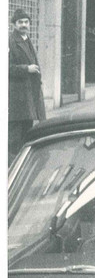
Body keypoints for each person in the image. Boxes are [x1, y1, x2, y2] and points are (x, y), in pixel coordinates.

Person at [8, 9, 46, 163]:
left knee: (26, 132)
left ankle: (21, 165)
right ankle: (10, 169)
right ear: (14, 24)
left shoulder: (27, 40)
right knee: (14, 138)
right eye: (20, 22)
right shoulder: (10, 42)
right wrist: (26, 69)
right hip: (17, 98)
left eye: (26, 22)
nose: (23, 25)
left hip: (28, 96)